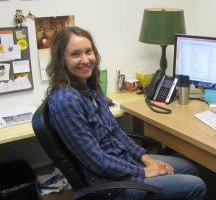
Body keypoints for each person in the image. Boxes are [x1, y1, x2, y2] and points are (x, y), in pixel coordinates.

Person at [45, 26, 206, 200]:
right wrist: (143, 171)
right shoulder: (66, 102)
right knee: (196, 186)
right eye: (75, 54)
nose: (85, 59)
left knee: (189, 168)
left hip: (122, 161)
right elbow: (95, 160)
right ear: (62, 60)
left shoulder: (88, 88)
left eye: (88, 51)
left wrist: (145, 158)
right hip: (110, 185)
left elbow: (115, 131)